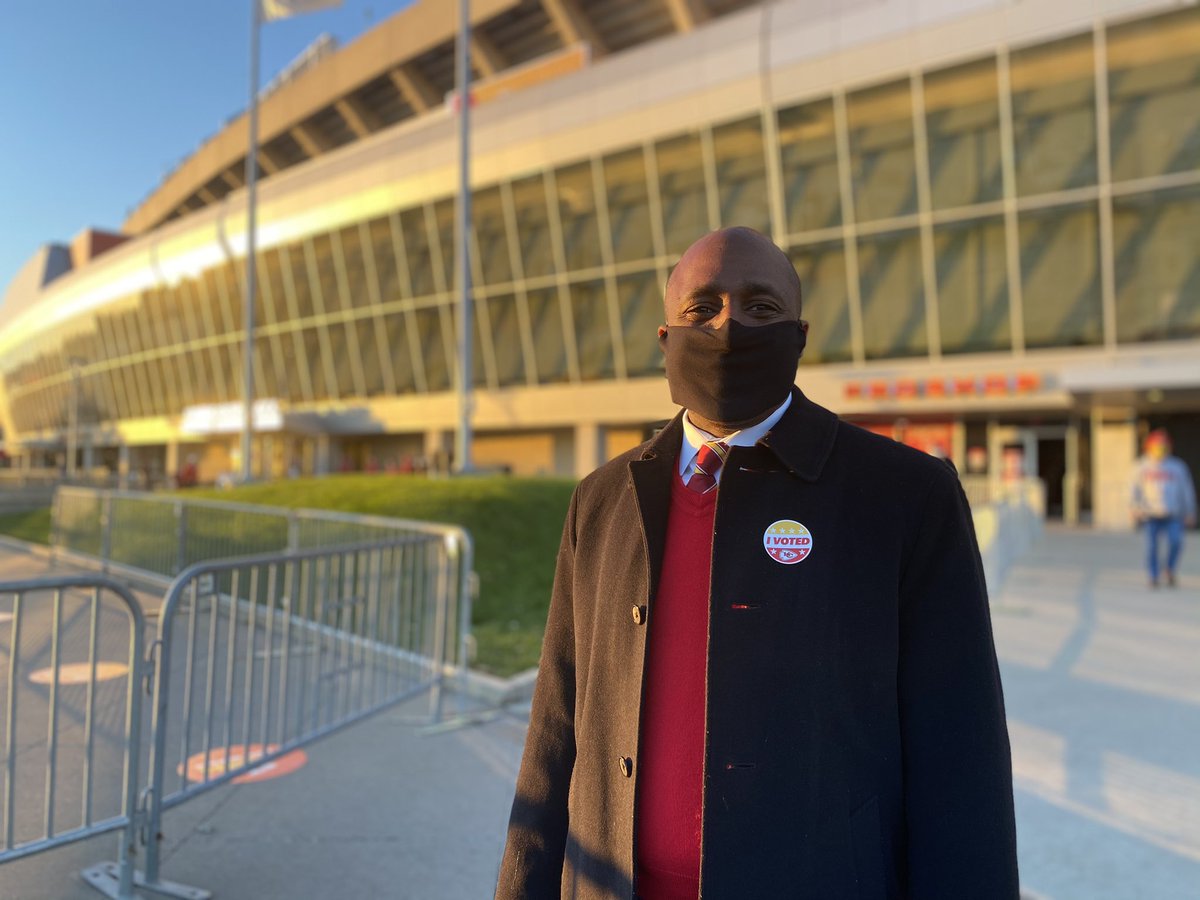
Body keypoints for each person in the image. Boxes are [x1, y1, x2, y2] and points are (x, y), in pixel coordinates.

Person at [497, 227, 1018, 899]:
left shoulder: (905, 495)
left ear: (798, 335)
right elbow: (554, 732)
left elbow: (961, 756)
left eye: (760, 307)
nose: (729, 325)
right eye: (702, 307)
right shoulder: (601, 500)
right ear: (665, 337)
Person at [1131, 429, 1196, 588]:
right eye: (1157, 446)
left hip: (1173, 513)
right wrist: (1134, 508)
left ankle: (1169, 569)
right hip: (1150, 514)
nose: (1160, 449)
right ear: (1149, 447)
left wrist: (1190, 511)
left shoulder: (1177, 467)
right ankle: (1153, 576)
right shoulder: (1141, 467)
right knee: (1151, 547)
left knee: (1176, 542)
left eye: (1163, 446)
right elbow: (1133, 489)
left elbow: (1186, 490)